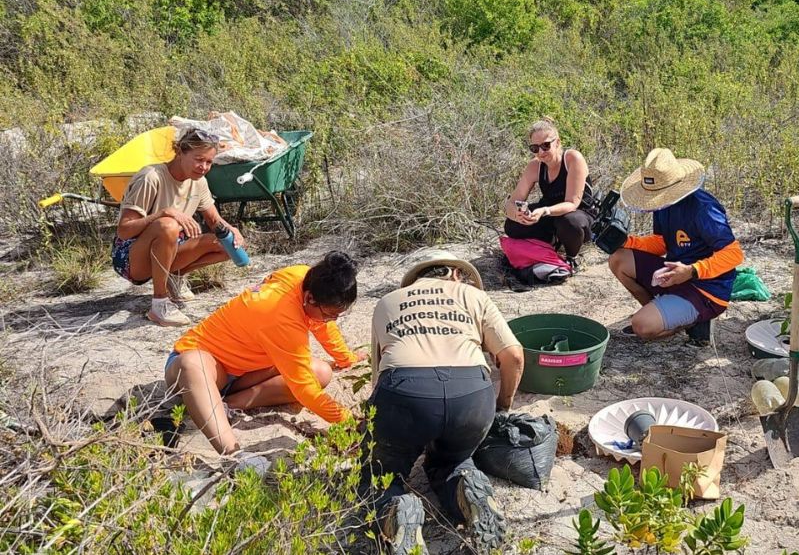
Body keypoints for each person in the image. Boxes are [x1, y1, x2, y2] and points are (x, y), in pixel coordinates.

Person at [362, 249, 524, 554]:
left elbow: (377, 378)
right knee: (451, 461)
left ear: (416, 278)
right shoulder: (473, 297)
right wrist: (501, 406)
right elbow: (513, 356)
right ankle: (468, 489)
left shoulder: (387, 302)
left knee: (379, 477)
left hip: (404, 393)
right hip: (471, 395)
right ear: (457, 274)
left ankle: (397, 509)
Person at [164, 251, 361, 455]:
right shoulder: (281, 316)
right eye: (330, 315)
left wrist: (346, 358)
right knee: (192, 362)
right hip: (194, 369)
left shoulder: (304, 278)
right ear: (310, 298)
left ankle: (225, 405)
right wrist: (348, 420)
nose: (333, 320)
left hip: (242, 375)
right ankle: (234, 454)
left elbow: (320, 323)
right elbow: (305, 390)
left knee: (320, 372)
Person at [607, 148, 743, 346]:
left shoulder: (703, 208)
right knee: (618, 259)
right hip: (674, 272)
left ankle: (691, 324)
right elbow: (662, 243)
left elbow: (734, 254)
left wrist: (692, 271)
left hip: (706, 289)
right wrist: (626, 241)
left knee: (641, 326)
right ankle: (662, 311)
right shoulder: (662, 202)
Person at [113, 126, 245, 326]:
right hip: (132, 259)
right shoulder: (151, 177)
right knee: (168, 225)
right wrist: (164, 212)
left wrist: (233, 231)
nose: (203, 167)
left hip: (169, 250)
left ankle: (174, 277)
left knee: (226, 244)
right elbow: (124, 230)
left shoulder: (198, 182)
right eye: (198, 159)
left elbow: (214, 221)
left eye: (209, 162)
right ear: (181, 152)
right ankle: (159, 304)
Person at [503, 118, 597, 277]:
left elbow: (572, 203)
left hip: (579, 215)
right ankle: (551, 242)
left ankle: (571, 257)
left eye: (546, 145)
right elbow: (511, 203)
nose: (541, 152)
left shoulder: (573, 159)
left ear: (558, 142)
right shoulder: (534, 166)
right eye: (535, 148)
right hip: (549, 215)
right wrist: (518, 215)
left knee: (569, 222)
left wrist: (545, 211)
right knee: (511, 225)